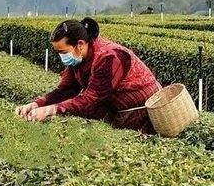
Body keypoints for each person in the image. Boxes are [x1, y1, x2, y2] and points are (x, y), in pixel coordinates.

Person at [15, 17, 162, 133]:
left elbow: (92, 99)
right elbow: (65, 90)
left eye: (63, 52)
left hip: (142, 111)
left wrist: (50, 110)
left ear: (79, 44)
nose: (62, 57)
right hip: (116, 109)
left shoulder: (109, 58)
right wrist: (36, 104)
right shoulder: (78, 59)